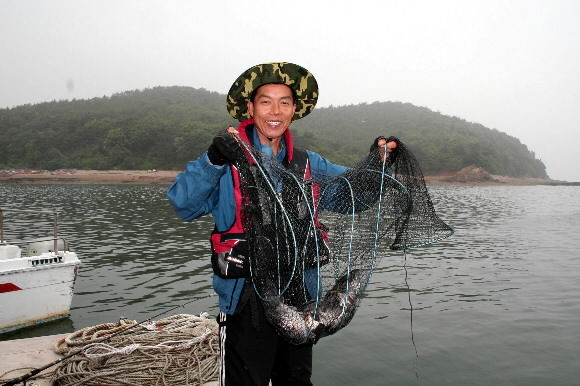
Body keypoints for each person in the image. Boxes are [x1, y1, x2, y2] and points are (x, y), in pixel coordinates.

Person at [167, 62, 398, 386]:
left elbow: (352, 198)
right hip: (244, 303)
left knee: (296, 381)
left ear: (294, 110)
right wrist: (213, 159)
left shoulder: (309, 164)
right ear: (250, 108)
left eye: (284, 102)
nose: (274, 111)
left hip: (302, 301)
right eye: (266, 101)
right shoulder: (225, 161)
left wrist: (379, 165)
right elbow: (183, 204)